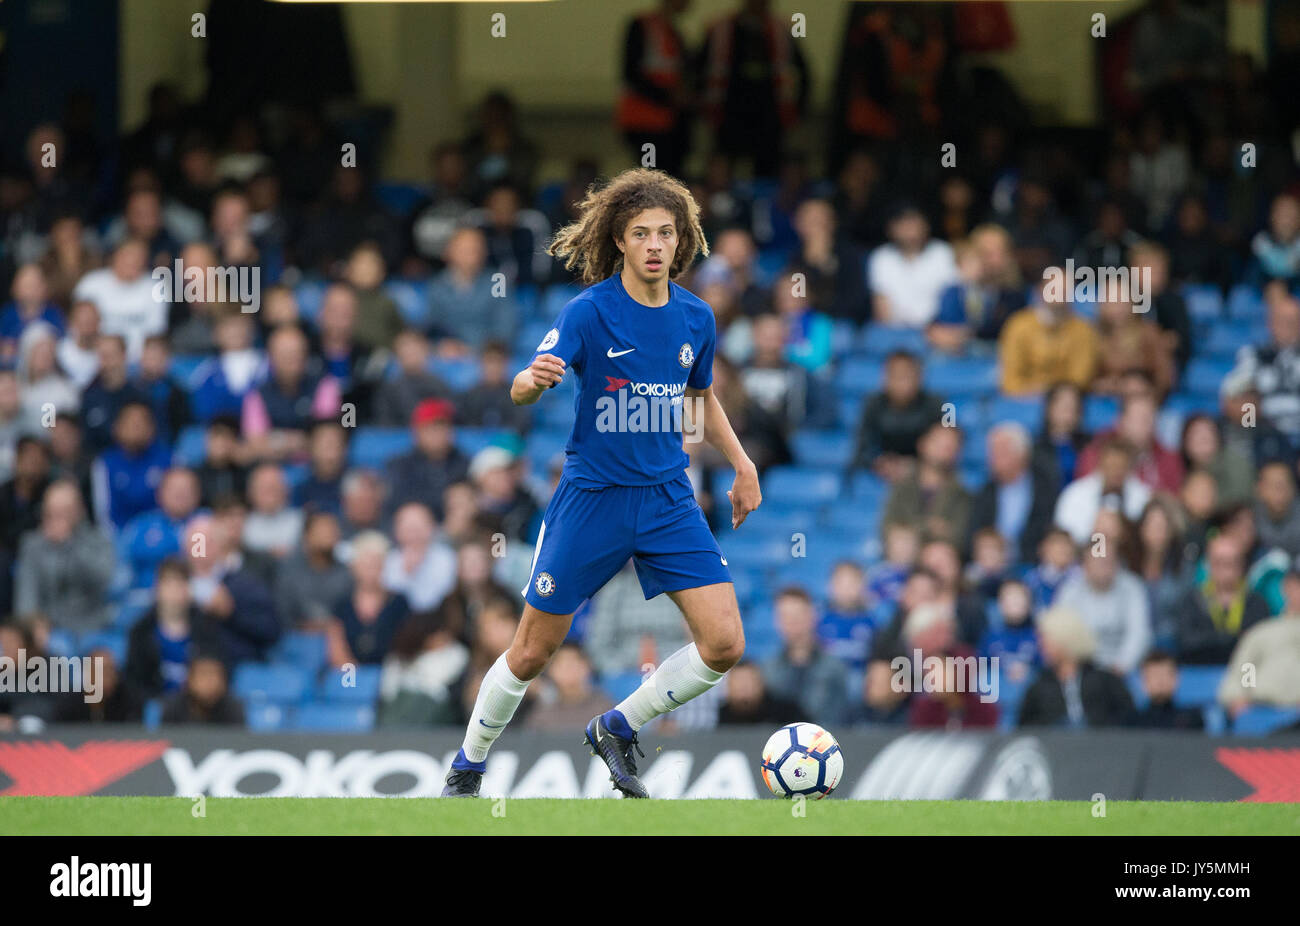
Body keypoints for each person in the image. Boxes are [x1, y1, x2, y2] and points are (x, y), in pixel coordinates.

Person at [441, 169, 760, 799]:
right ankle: (469, 765)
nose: (654, 244)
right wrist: (531, 380)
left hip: (669, 497)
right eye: (641, 233)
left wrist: (743, 464)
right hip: (592, 500)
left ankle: (618, 726)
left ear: (681, 241)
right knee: (532, 652)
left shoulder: (696, 317)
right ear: (618, 240)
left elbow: (698, 398)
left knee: (724, 643)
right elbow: (521, 389)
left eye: (665, 233)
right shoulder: (588, 312)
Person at [1018, 606, 1135, 728]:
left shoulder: (1105, 682)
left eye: (1046, 639)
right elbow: (1026, 730)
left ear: (1065, 639)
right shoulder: (1039, 687)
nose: (1042, 646)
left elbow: (1129, 723)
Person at [1174, 532, 1271, 665]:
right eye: (1219, 562)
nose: (1226, 570)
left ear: (1242, 565)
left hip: (1245, 671)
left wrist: (1212, 640)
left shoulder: (1256, 603)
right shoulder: (1192, 601)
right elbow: (1187, 642)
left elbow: (1260, 644)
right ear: (1209, 565)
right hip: (1202, 671)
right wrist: (1234, 639)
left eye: (1231, 562)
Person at [1217, 569, 1300, 716]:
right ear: (1288, 587)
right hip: (1263, 712)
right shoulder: (1263, 633)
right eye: (1297, 584)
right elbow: (1247, 667)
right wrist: (1242, 696)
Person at [762, 587, 849, 726]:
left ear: (812, 616)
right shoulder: (767, 670)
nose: (791, 622)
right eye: (785, 616)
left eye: (797, 615)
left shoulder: (834, 668)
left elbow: (840, 719)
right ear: (776, 621)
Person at [1132, 650, 1204, 730]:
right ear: (1143, 681)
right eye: (1154, 675)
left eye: (1164, 675)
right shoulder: (1131, 722)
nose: (1160, 681)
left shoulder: (1191, 720)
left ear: (1176, 679)